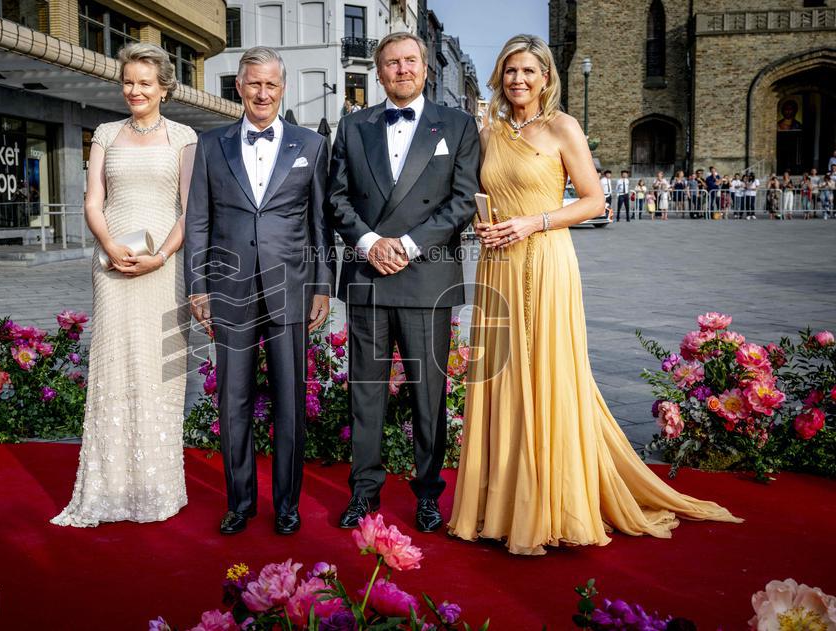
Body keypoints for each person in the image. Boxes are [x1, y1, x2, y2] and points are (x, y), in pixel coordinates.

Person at [448, 34, 741, 556]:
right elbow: (474, 194)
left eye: (528, 72)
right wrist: (483, 221)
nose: (518, 80)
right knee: (502, 377)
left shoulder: (563, 127)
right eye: (510, 70)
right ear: (499, 76)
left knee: (546, 375)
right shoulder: (485, 131)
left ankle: (551, 504)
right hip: (497, 266)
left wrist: (531, 222)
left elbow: (593, 202)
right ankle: (500, 503)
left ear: (546, 79)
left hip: (545, 260)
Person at [328, 31, 479, 533]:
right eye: (391, 63)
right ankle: (364, 493)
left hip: (427, 277)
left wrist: (408, 245)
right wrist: (371, 242)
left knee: (428, 395)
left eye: (410, 60)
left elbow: (461, 202)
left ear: (425, 67)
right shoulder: (351, 127)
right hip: (369, 276)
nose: (402, 70)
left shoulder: (457, 126)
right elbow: (336, 200)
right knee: (365, 393)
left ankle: (429, 495)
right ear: (379, 71)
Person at [184, 46, 333, 536]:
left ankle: (286, 504)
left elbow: (318, 226)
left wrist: (321, 287)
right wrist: (199, 288)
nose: (262, 93)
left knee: (290, 401)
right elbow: (199, 223)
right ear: (239, 87)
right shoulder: (211, 146)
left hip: (290, 289)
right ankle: (240, 501)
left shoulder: (311, 146)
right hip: (229, 291)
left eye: (271, 84)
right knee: (234, 400)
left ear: (283, 87)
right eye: (253, 84)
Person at [52, 43, 196, 528]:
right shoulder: (106, 134)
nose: (135, 90)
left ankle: (157, 489)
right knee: (113, 370)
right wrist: (110, 245)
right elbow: (93, 201)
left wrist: (162, 255)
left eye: (145, 83)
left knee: (160, 371)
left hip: (164, 269)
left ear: (164, 89)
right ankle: (107, 489)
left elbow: (190, 208)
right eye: (128, 81)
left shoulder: (183, 136)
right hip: (111, 267)